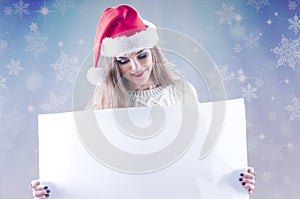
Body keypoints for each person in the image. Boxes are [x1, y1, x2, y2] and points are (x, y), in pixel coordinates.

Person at [31, 4, 256, 198]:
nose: (136, 68)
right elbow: (86, 175)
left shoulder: (182, 92)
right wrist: (52, 190)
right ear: (113, 65)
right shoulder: (103, 106)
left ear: (153, 52)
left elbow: (204, 158)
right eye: (123, 60)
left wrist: (233, 179)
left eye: (142, 55)